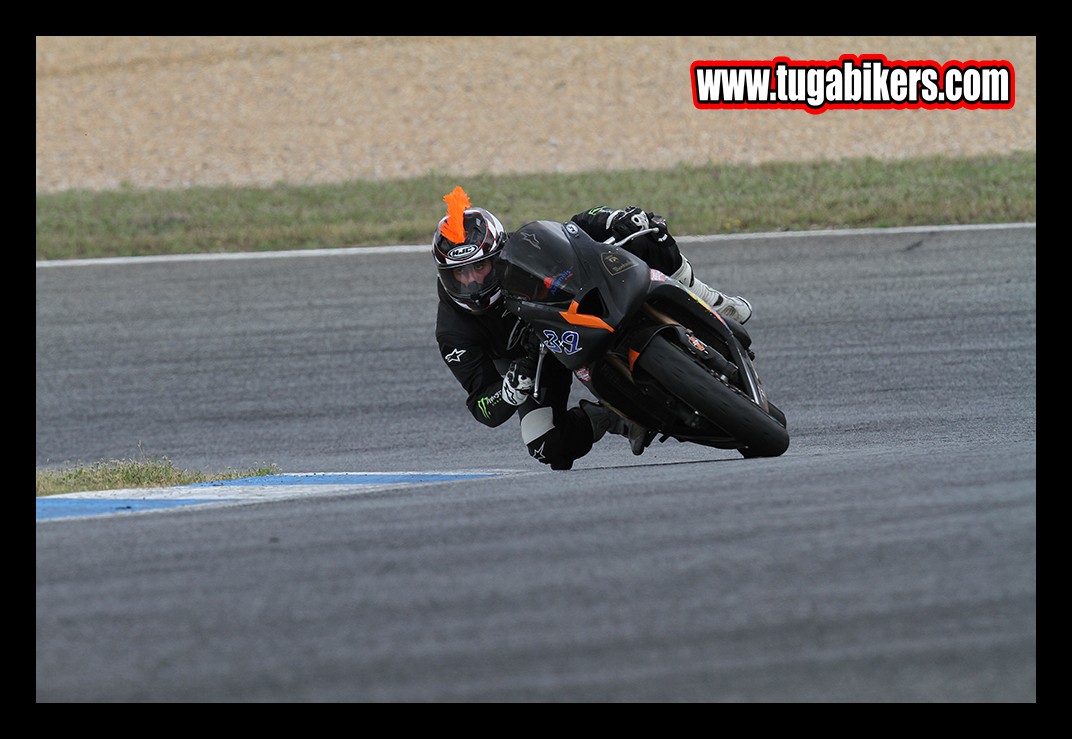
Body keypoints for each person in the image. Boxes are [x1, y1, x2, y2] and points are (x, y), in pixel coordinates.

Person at [433, 186, 753, 470]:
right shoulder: (453, 330)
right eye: (459, 273)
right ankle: (614, 416)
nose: (472, 281)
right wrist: (508, 391)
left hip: (577, 310)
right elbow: (482, 407)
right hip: (532, 361)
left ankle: (710, 299)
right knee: (547, 446)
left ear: (498, 252)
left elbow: (572, 230)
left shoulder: (524, 246)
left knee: (647, 232)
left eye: (479, 266)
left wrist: (613, 218)